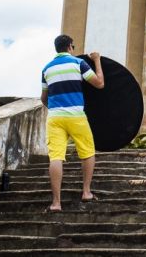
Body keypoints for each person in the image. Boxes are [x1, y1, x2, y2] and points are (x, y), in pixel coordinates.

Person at [41, 34, 105, 212]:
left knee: (56, 157)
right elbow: (99, 83)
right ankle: (86, 192)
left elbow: (43, 98)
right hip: (76, 115)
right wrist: (97, 60)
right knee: (87, 152)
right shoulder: (78, 63)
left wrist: (55, 108)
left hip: (54, 118)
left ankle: (56, 203)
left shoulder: (46, 69)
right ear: (70, 46)